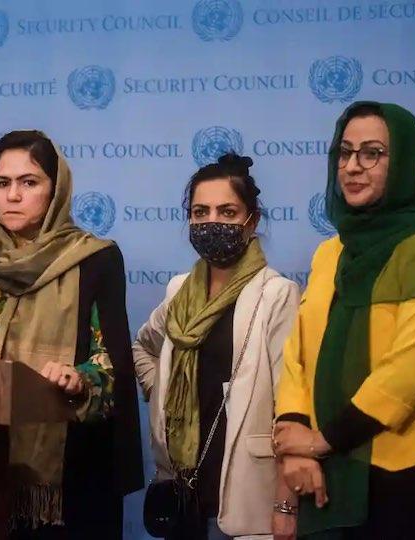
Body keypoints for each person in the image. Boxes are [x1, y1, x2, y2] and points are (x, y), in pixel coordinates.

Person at [272, 102, 415, 539]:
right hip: (329, 472)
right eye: (345, 152)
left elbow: (411, 368)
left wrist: (320, 441)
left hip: (409, 476)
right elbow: (298, 353)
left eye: (372, 153)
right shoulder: (331, 252)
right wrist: (294, 434)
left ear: (405, 161)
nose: (353, 167)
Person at [0, 129, 144, 539]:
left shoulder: (95, 261)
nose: (13, 195)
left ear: (55, 190)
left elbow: (111, 364)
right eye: (2, 183)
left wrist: (80, 379)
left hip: (72, 478)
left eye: (29, 182)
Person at [134, 153, 301, 539]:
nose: (212, 222)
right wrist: (160, 389)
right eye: (200, 211)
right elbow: (143, 348)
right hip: (181, 493)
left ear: (251, 220)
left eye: (227, 212)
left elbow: (290, 406)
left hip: (244, 498)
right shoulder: (180, 292)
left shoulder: (277, 295)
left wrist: (286, 504)